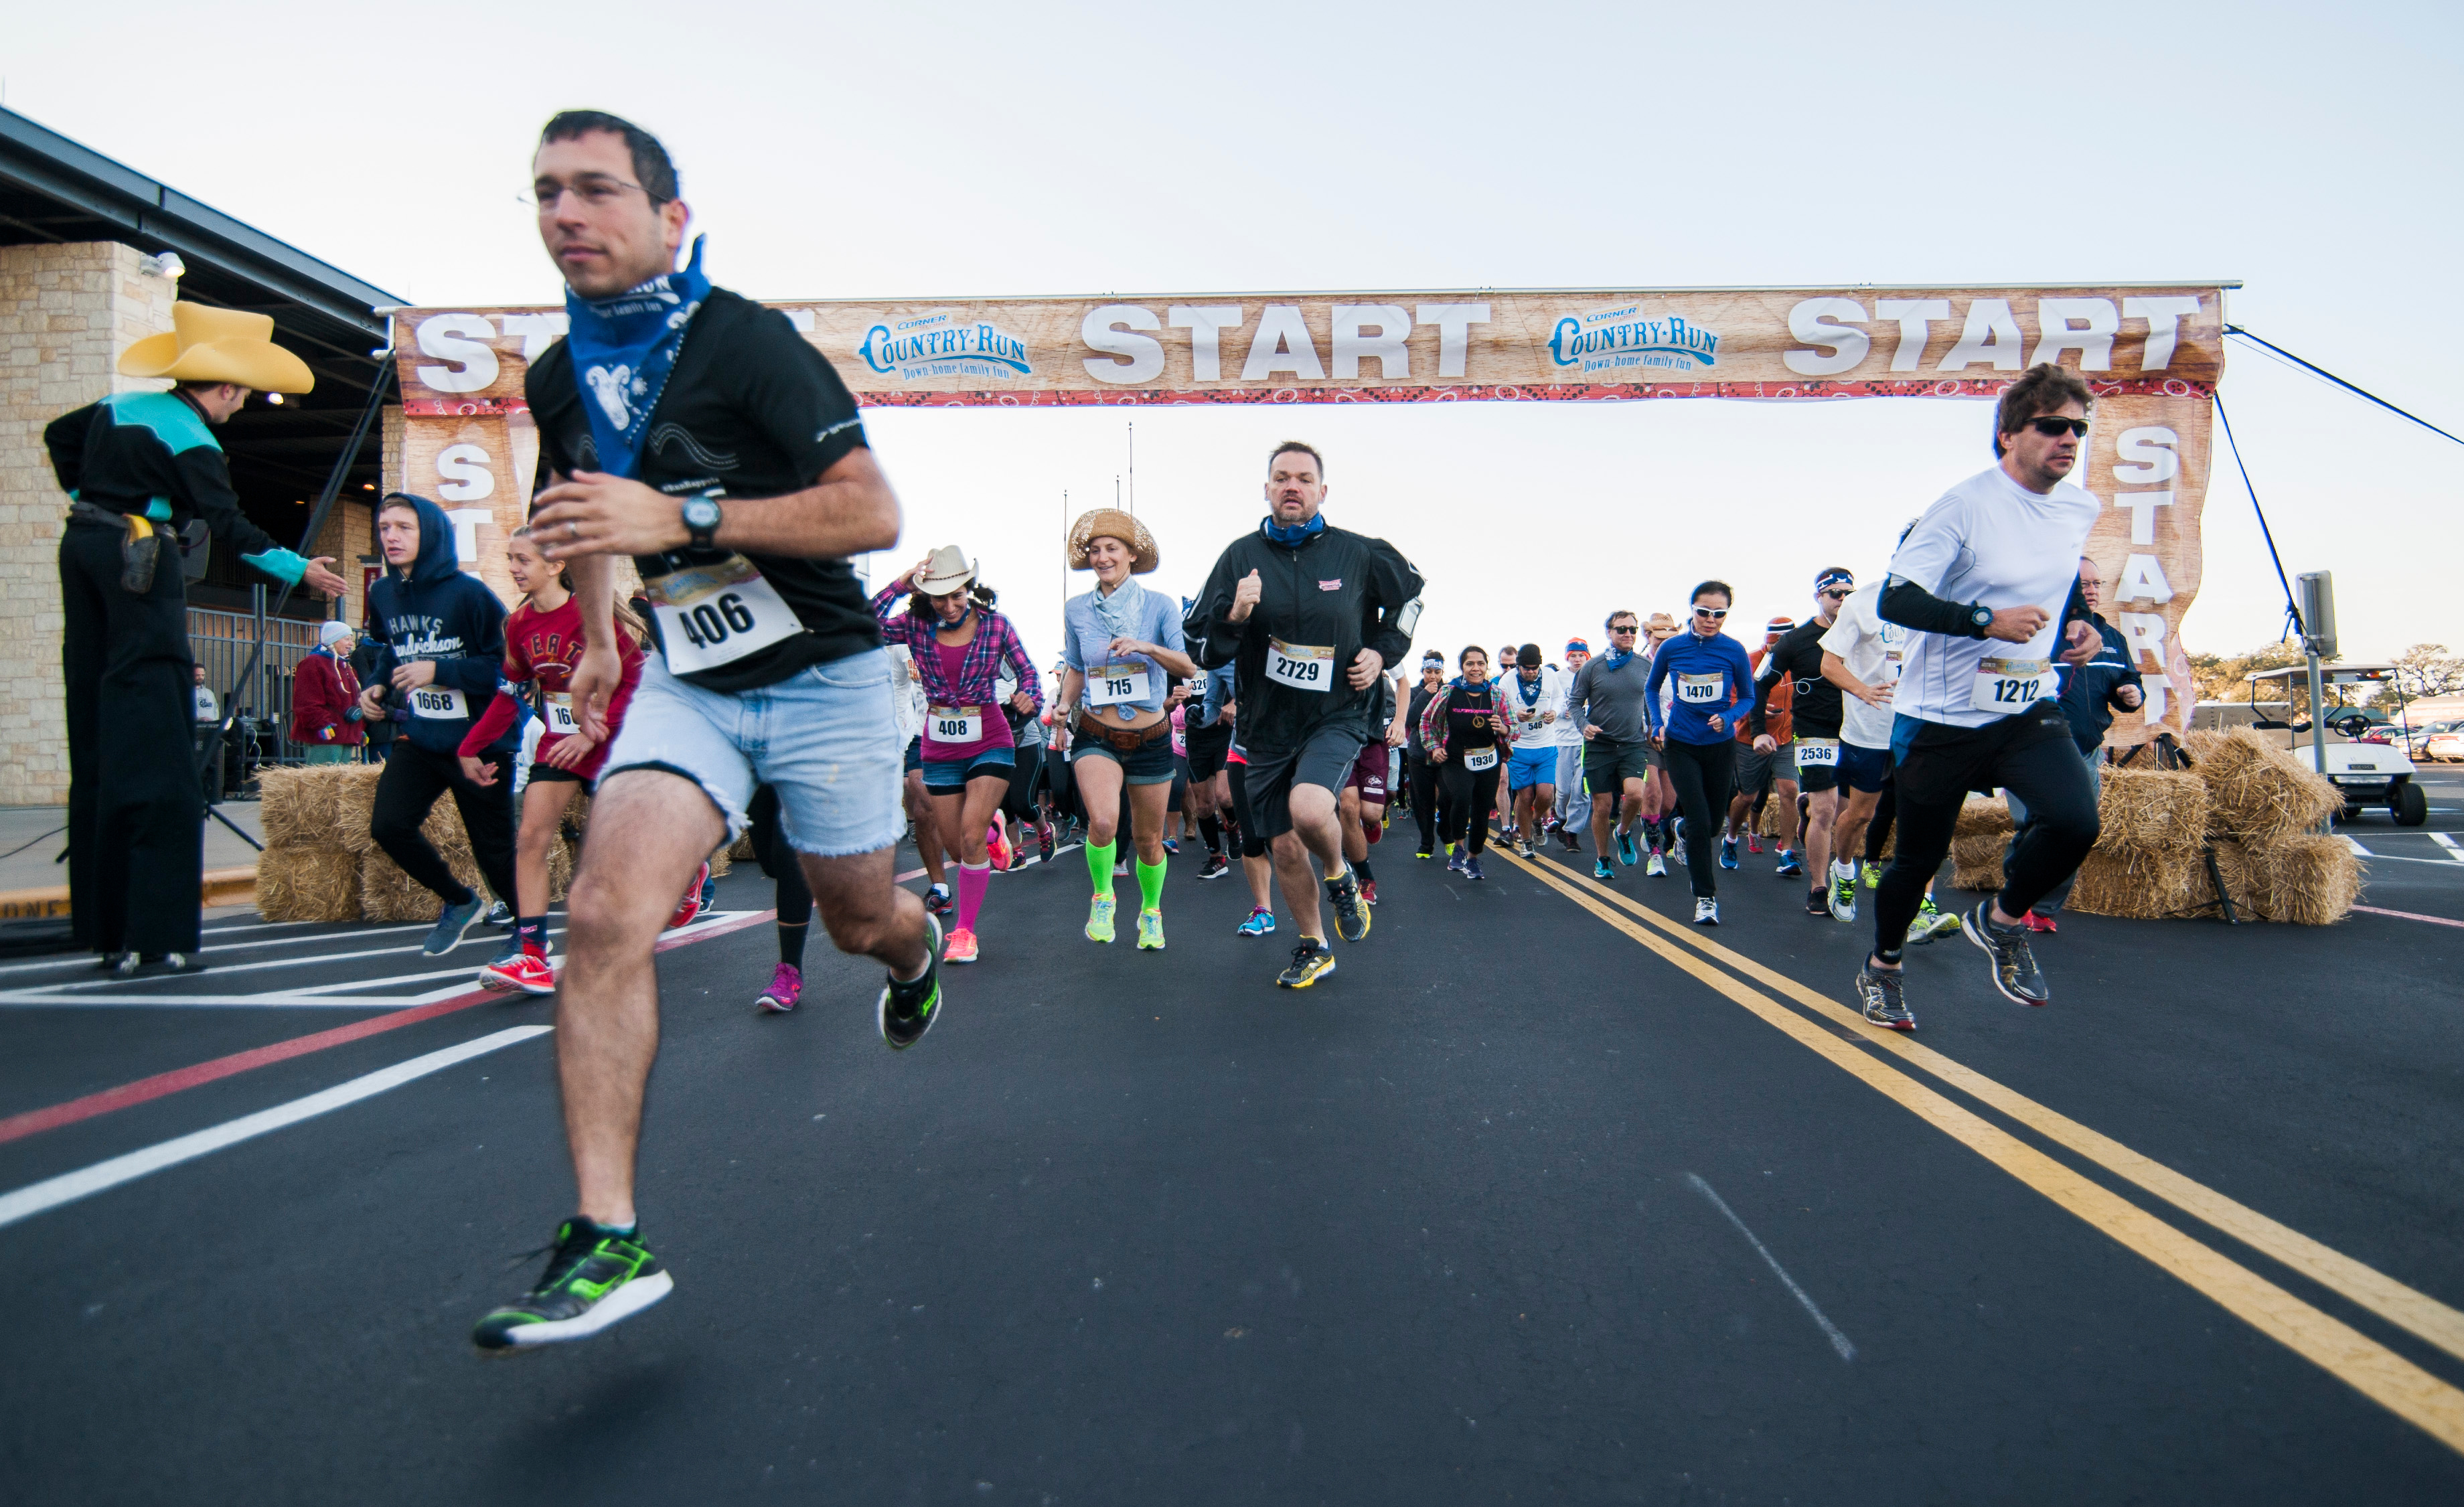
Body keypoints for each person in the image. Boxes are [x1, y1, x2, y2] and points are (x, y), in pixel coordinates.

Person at [471, 110, 939, 1351]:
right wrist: (600, 641)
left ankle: (917, 951)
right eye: (545, 193)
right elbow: (581, 521)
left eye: (597, 191)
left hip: (829, 677)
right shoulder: (562, 373)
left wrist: (680, 517)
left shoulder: (748, 343)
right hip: (689, 681)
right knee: (607, 911)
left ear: (671, 219)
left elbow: (871, 512)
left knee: (855, 919)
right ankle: (607, 1235)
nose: (566, 214)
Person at [47, 303, 350, 975]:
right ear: (223, 387)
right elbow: (230, 526)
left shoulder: (116, 405)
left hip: (84, 547)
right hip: (140, 559)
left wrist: (86, 492)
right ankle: (155, 926)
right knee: (155, 739)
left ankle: (104, 924)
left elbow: (57, 435)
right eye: (238, 396)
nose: (237, 407)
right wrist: (298, 569)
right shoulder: (194, 439)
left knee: (95, 727)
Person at [1850, 363, 2106, 1032]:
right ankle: (1882, 966)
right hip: (1941, 717)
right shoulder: (1962, 506)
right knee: (1917, 860)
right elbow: (1896, 598)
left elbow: (2061, 587)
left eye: (2078, 428)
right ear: (2006, 435)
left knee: (2075, 819)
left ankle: (2001, 921)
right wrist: (1982, 620)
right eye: (2051, 426)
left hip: (2023, 704)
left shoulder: (2078, 507)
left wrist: (2084, 623)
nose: (2067, 440)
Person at [1185, 441, 1423, 988]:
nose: (1292, 486)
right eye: (1281, 478)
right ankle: (1315, 944)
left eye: (1303, 478)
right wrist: (1236, 614)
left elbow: (1411, 598)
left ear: (1322, 490)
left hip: (1336, 713)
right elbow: (1202, 647)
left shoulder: (1359, 552)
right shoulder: (1238, 557)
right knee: (1285, 845)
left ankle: (1341, 877)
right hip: (1265, 727)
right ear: (1266, 489)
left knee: (1312, 809)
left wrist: (1383, 650)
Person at [459, 525, 649, 992]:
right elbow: (510, 693)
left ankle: (688, 875)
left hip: (612, 741)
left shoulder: (594, 617)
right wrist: (469, 746)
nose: (513, 568)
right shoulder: (519, 625)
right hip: (561, 744)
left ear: (556, 565)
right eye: (510, 558)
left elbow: (634, 683)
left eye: (522, 560)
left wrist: (593, 731)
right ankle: (532, 955)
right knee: (530, 838)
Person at [356, 493, 523, 955]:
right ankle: (458, 899)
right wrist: (376, 686)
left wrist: (440, 670)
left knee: (494, 850)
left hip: (480, 741)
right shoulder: (382, 593)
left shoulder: (469, 594)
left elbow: (507, 666)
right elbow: (393, 649)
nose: (390, 535)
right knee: (388, 826)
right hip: (424, 737)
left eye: (403, 527)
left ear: (430, 533)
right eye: (384, 526)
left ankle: (528, 934)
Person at [873, 546, 1041, 963]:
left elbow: (1029, 674)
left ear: (970, 589)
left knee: (967, 837)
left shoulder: (997, 626)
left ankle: (965, 931)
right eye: (939, 598)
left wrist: (1031, 696)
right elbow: (859, 626)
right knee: (956, 846)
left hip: (990, 739)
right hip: (940, 746)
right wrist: (900, 581)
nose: (949, 606)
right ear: (926, 597)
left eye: (957, 595)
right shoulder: (913, 626)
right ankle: (992, 830)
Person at [1060, 508, 1195, 951]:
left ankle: (1151, 911)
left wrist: (1146, 646)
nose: (1101, 557)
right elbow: (1078, 668)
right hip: (1097, 732)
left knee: (1148, 839)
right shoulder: (1076, 608)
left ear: (1131, 555)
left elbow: (1186, 666)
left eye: (1111, 549)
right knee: (1101, 821)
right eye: (1094, 550)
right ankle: (1103, 896)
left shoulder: (1159, 605)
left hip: (1152, 737)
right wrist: (1062, 705)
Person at [1822, 546, 1960, 945]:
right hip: (1871, 731)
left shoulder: (1951, 602)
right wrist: (1863, 690)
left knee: (1926, 817)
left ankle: (1922, 908)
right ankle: (1844, 869)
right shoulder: (1864, 601)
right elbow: (1829, 663)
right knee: (1861, 815)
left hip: (1926, 727)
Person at [2003, 554, 2143, 931]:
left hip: (2085, 748)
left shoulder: (2111, 637)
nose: (2091, 591)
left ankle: (2044, 910)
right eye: (2083, 584)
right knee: (2035, 823)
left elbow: (2126, 680)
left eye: (2096, 584)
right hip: (2034, 745)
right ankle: (2016, 897)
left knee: (2077, 829)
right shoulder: (2037, 631)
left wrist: (2131, 693)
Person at [1646, 582, 1755, 925]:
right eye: (1704, 612)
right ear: (1692, 610)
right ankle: (1705, 898)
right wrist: (1656, 724)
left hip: (1719, 747)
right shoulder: (1673, 647)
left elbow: (1749, 698)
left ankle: (1681, 829)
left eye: (1719, 613)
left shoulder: (1733, 650)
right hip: (1680, 744)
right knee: (1699, 818)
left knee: (1710, 826)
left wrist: (1728, 717)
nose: (1711, 619)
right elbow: (1651, 688)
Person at [1568, 611, 1657, 881]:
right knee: (1602, 806)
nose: (1628, 634)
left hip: (1632, 743)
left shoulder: (1644, 665)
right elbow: (1574, 704)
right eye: (1621, 630)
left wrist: (1655, 726)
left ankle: (1623, 832)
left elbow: (1650, 699)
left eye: (1632, 629)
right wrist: (1584, 725)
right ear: (1609, 632)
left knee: (1636, 794)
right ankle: (1603, 858)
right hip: (1599, 746)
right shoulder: (1592, 667)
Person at [1421, 646, 1514, 880]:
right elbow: (1426, 720)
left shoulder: (1496, 694)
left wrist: (1503, 728)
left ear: (1486, 666)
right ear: (1462, 667)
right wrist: (1434, 748)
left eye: (1480, 664)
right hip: (1455, 759)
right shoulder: (1450, 692)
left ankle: (1473, 858)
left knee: (1483, 810)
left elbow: (1514, 726)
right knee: (1462, 796)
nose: (1476, 669)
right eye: (1470, 664)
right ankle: (1459, 846)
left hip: (1489, 760)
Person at [1729, 615, 1800, 876]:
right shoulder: (1749, 661)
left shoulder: (1798, 662)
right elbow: (1732, 699)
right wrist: (1756, 712)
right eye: (1774, 645)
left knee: (1790, 791)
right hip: (1750, 740)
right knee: (1748, 796)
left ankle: (1787, 853)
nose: (1778, 650)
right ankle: (1732, 838)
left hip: (1785, 739)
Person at [1494, 645, 1565, 860]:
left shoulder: (1551, 676)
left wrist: (1555, 711)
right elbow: (1499, 710)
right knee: (1525, 797)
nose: (1531, 672)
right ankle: (1526, 842)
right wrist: (1516, 715)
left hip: (1546, 745)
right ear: (1519, 666)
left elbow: (1560, 698)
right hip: (1520, 747)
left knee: (1546, 795)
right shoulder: (1507, 681)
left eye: (1535, 668)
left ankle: (1536, 821)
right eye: (1526, 668)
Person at [1185, 661, 1239, 878]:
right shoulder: (1176, 659)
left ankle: (1234, 826)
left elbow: (1250, 683)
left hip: (1225, 732)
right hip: (1196, 738)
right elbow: (1166, 700)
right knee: (1205, 806)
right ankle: (1217, 858)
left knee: (1224, 797)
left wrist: (1236, 702)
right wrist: (1174, 703)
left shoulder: (1220, 653)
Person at [291, 621, 365, 765]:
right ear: (334, 639)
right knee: (323, 783)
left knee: (341, 784)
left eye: (352, 639)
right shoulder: (314, 663)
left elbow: (352, 702)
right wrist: (321, 724)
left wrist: (358, 729)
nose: (351, 644)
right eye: (347, 639)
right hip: (325, 735)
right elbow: (307, 701)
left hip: (345, 735)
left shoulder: (345, 666)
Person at [1403, 649, 1448, 858]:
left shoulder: (1449, 691)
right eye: (1429, 671)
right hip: (1418, 754)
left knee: (1449, 797)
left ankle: (1447, 834)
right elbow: (1410, 719)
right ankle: (1426, 844)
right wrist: (1426, 693)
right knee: (1423, 802)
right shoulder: (1413, 692)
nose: (1433, 676)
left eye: (1437, 672)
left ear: (1442, 672)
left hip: (1444, 753)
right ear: (1423, 671)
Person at [1549, 637, 1591, 851]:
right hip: (1562, 741)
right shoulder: (1557, 678)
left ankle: (1572, 832)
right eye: (1572, 655)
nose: (1577, 659)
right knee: (1564, 790)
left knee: (1581, 789)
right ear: (1567, 657)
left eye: (1581, 656)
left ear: (1587, 657)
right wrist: (1560, 713)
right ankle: (1562, 819)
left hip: (1586, 742)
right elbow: (1549, 706)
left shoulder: (1592, 674)